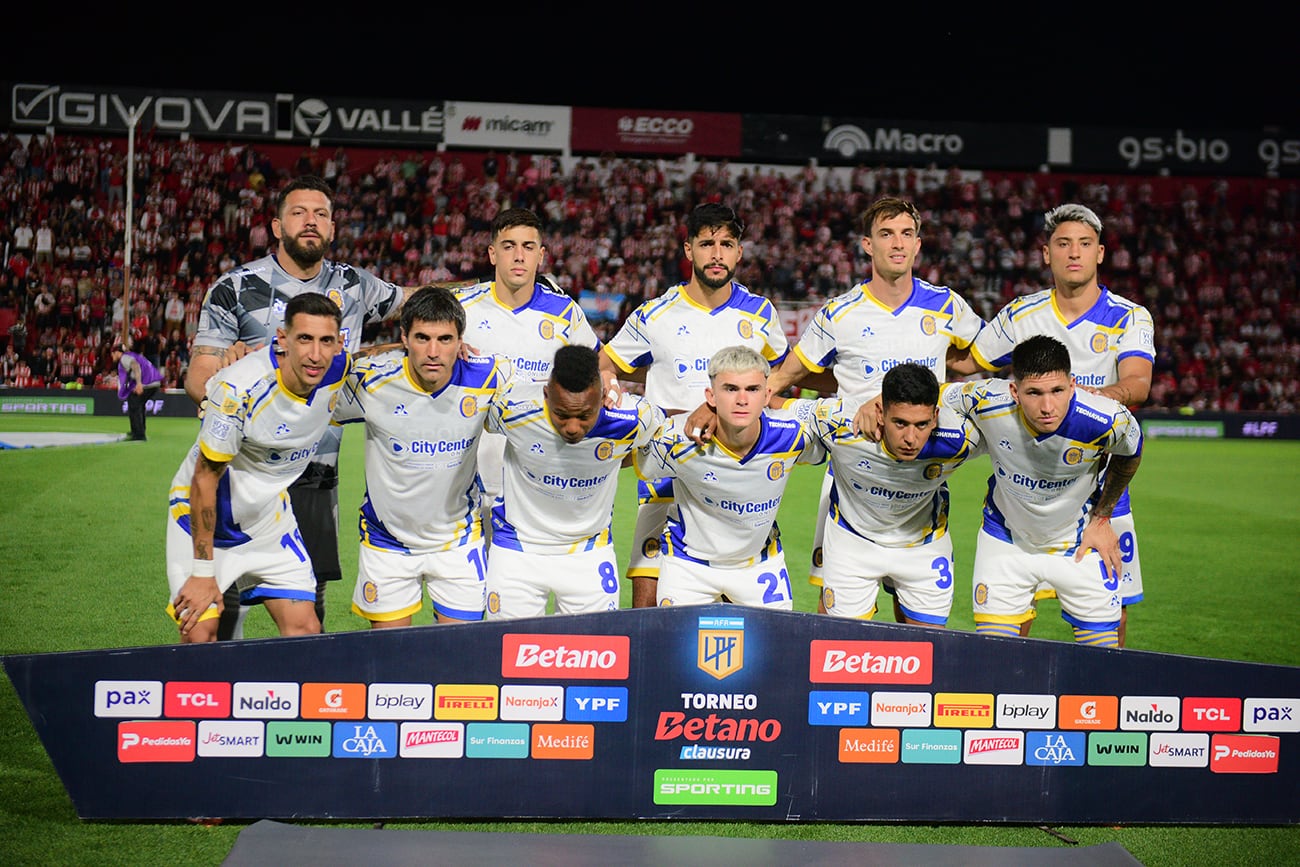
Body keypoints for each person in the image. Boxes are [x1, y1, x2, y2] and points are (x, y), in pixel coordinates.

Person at [691, 196, 983, 617]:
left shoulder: (947, 306)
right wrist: (716, 408)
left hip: (918, 472)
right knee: (838, 615)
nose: (897, 244)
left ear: (918, 244)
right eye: (886, 234)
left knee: (915, 617)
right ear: (868, 245)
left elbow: (978, 359)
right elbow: (783, 376)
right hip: (852, 474)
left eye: (906, 234)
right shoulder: (840, 314)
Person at [185, 175, 416, 639]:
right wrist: (227, 378)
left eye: (320, 214)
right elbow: (199, 376)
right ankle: (221, 674)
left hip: (315, 468)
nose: (310, 221)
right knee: (226, 596)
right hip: (244, 468)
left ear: (332, 228)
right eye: (298, 212)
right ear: (276, 226)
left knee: (310, 591)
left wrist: (489, 289)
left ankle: (306, 679)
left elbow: (419, 303)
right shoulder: (236, 287)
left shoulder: (354, 285)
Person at [951, 203, 1155, 645]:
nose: (1074, 253)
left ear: (1100, 252)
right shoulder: (1021, 315)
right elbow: (968, 363)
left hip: (1098, 486)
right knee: (1010, 613)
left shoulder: (1129, 316)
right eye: (1063, 244)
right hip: (1027, 481)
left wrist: (1091, 405)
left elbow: (1138, 383)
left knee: (1112, 610)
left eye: (1084, 244)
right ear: (1047, 254)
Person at [599, 202, 789, 609]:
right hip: (665, 477)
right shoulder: (655, 315)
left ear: (739, 252)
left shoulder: (761, 314)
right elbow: (604, 365)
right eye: (706, 244)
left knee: (740, 604)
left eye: (727, 244)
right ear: (688, 250)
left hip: (737, 476)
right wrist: (619, 398)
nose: (717, 254)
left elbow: (776, 381)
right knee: (650, 606)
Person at [166, 293, 348, 643]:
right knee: (200, 635)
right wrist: (202, 572)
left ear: (339, 343)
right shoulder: (239, 390)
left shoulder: (339, 369)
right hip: (202, 521)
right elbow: (204, 479)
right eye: (304, 339)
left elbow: (381, 356)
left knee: (305, 631)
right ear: (283, 339)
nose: (316, 354)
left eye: (326, 341)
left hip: (268, 520)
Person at [942, 335, 1143, 648]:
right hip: (1006, 542)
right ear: (1015, 391)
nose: (1047, 407)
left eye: (1057, 391)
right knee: (995, 658)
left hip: (1080, 544)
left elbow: (1132, 450)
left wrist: (1103, 517)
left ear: (1072, 385)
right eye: (1034, 393)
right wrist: (879, 401)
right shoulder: (986, 398)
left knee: (1103, 666)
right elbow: (935, 394)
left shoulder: (1106, 418)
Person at [332, 286, 512, 627]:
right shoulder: (371, 381)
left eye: (445, 340)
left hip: (457, 542)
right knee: (393, 655)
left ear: (461, 341)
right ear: (404, 337)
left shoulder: (487, 376)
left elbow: (548, 399)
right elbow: (308, 384)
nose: (433, 352)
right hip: (387, 543)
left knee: (462, 653)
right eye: (422, 338)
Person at [454, 208, 614, 538]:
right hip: (467, 477)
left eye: (528, 247)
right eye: (508, 246)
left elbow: (601, 365)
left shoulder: (564, 312)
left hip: (538, 481)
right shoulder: (461, 308)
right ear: (492, 254)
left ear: (540, 256)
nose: (518, 255)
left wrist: (608, 388)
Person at [635, 346, 825, 608]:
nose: (742, 399)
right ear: (710, 397)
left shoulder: (793, 434)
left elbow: (843, 423)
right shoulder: (677, 440)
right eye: (731, 389)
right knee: (678, 635)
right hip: (688, 566)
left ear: (767, 394)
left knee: (774, 636)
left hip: (759, 565)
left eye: (753, 389)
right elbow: (623, 452)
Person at [793, 363, 982, 625]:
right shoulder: (841, 423)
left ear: (935, 417)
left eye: (922, 424)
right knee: (843, 642)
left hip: (923, 546)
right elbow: (777, 406)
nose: (911, 438)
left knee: (928, 646)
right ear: (880, 413)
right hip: (853, 542)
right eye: (900, 423)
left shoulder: (961, 438)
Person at [483, 344, 663, 619]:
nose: (572, 427)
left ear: (602, 395)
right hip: (516, 551)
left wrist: (709, 411)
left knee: (592, 646)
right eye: (562, 414)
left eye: (584, 416)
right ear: (546, 394)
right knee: (509, 645)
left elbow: (669, 429)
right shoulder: (511, 408)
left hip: (588, 553)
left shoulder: (632, 417)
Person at [112, 338, 163, 441]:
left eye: (113, 354)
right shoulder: (133, 355)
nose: (112, 356)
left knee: (134, 403)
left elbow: (135, 366)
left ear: (117, 352)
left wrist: (139, 384)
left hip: (148, 383)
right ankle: (139, 430)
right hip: (155, 382)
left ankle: (138, 434)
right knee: (139, 403)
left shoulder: (124, 358)